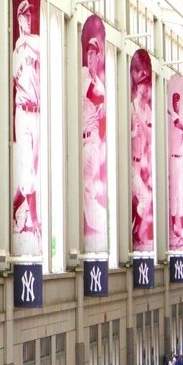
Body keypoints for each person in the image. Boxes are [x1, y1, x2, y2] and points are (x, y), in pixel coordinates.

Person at [12, 0, 42, 249]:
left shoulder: (33, 42)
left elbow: (41, 48)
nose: (29, 18)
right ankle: (34, 221)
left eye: (30, 15)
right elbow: (14, 80)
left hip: (37, 111)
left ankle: (14, 207)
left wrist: (24, 41)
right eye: (25, 15)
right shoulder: (16, 51)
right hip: (22, 110)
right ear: (18, 18)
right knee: (28, 171)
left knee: (33, 168)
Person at [81, 14, 107, 252]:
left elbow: (103, 121)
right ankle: (99, 226)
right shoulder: (84, 76)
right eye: (88, 52)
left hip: (91, 142)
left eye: (94, 52)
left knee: (87, 190)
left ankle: (100, 230)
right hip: (81, 140)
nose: (90, 56)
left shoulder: (100, 84)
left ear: (99, 56)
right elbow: (92, 96)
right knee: (86, 192)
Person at [167, 81, 183, 248]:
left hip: (179, 159)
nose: (177, 104)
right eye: (175, 101)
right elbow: (178, 124)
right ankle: (175, 227)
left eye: (178, 101)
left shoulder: (179, 119)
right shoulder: (174, 116)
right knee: (174, 193)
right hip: (173, 159)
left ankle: (181, 229)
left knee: (179, 193)